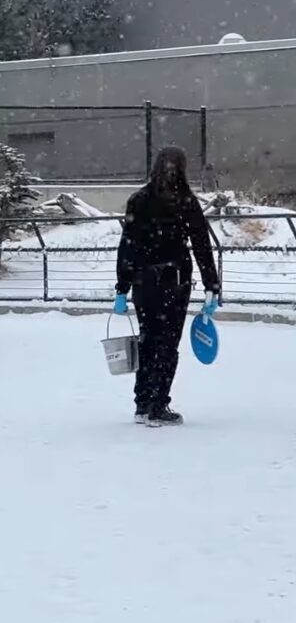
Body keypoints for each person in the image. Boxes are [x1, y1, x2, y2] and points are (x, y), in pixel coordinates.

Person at [114, 146, 220, 426]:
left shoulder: (139, 200)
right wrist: (212, 285)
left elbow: (128, 245)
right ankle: (158, 405)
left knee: (148, 339)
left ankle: (142, 403)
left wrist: (122, 287)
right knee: (167, 344)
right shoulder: (185, 200)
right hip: (174, 281)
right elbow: (201, 244)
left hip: (144, 283)